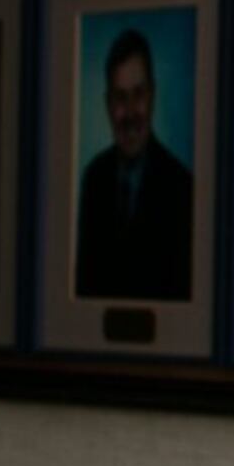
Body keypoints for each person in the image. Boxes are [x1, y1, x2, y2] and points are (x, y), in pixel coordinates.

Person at [74, 25, 198, 300]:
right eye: (120, 97)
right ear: (107, 104)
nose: (130, 112)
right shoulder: (93, 179)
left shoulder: (181, 187)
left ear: (152, 96)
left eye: (138, 94)